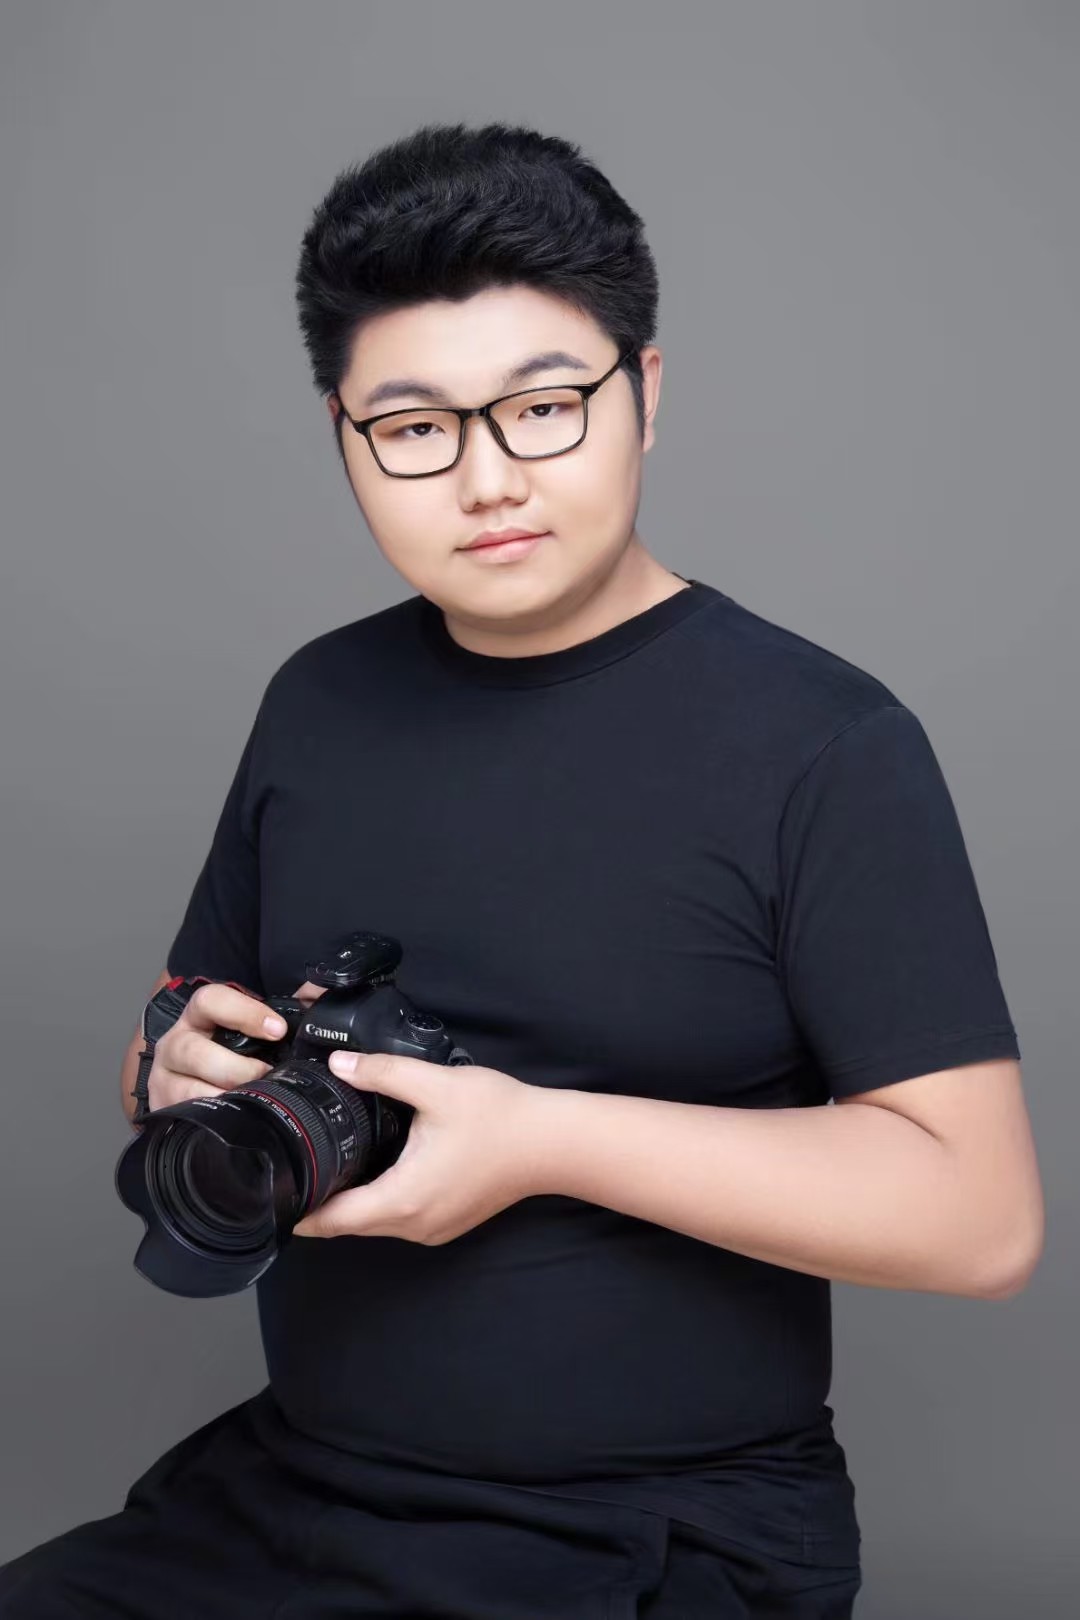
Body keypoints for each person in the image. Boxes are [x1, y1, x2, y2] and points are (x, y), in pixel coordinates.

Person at [0, 120, 1043, 1619]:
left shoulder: (825, 743)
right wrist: (167, 1064)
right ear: (346, 438)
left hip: (662, 1531)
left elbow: (980, 1218)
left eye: (544, 408)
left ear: (646, 395)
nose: (487, 479)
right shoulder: (318, 700)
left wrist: (541, 1140)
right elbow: (183, 1026)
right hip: (299, 1492)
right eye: (413, 428)